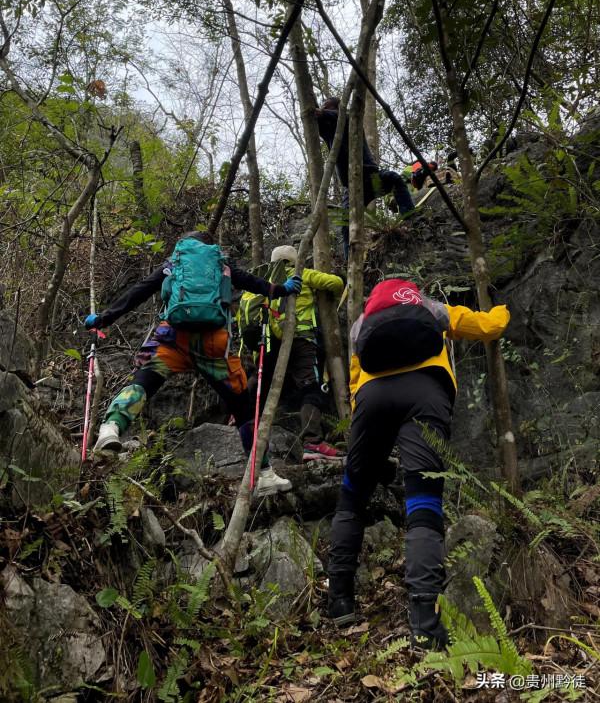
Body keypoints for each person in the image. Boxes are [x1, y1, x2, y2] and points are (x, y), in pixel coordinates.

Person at [326, 278, 510, 648]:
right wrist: (501, 310)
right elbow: (488, 326)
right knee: (423, 503)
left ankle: (339, 600)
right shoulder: (431, 310)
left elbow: (355, 377)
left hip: (373, 398)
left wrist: (364, 415)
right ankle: (425, 622)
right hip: (426, 393)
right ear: (410, 295)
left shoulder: (363, 325)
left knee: (353, 495)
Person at [85, 231, 302, 497]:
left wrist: (104, 318)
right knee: (243, 408)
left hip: (172, 338)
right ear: (210, 245)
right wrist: (282, 289)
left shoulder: (174, 263)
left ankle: (111, 428)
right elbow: (251, 282)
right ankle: (264, 474)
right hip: (212, 345)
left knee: (144, 381)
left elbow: (139, 291)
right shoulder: (219, 263)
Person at [247, 245, 345, 461]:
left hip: (269, 343)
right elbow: (335, 283)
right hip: (300, 339)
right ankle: (313, 442)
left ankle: (239, 421)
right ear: (294, 260)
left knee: (259, 381)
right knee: (311, 387)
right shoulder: (302, 273)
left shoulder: (261, 280)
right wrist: (334, 299)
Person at [315, 98, 414, 257]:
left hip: (369, 176)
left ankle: (410, 218)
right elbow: (317, 121)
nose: (323, 109)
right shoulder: (328, 131)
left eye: (326, 107)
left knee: (394, 179)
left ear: (336, 109)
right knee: (345, 223)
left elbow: (336, 116)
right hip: (351, 187)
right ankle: (350, 261)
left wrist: (320, 111)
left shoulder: (349, 120)